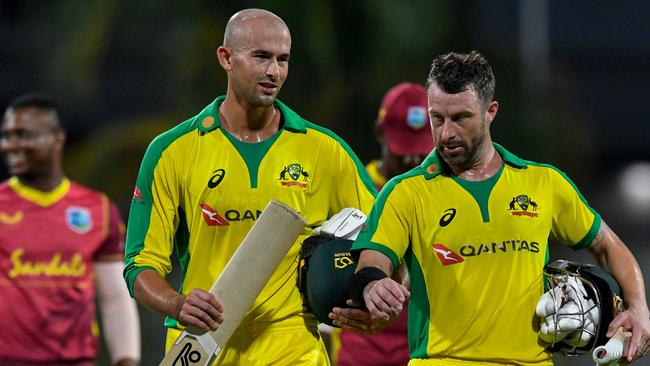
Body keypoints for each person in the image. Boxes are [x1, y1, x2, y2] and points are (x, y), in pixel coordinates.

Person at [344, 51, 650, 365]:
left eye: (460, 118)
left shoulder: (544, 183)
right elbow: (372, 261)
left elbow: (606, 245)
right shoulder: (406, 191)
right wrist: (373, 284)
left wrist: (638, 306)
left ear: (490, 111)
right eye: (437, 118)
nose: (446, 133)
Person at [123, 8, 376, 365]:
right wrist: (177, 304)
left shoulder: (324, 150)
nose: (274, 71)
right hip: (202, 343)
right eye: (261, 57)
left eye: (282, 60)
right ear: (226, 58)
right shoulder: (172, 151)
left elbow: (387, 236)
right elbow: (139, 266)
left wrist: (379, 292)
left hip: (291, 344)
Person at [0, 93, 141, 366]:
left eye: (24, 135)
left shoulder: (97, 210)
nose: (11, 145)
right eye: (6, 136)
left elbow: (114, 296)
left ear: (57, 139)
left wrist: (127, 359)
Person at [330, 82, 434, 366]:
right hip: (360, 355)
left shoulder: (444, 193)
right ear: (380, 132)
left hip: (425, 351)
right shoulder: (352, 189)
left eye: (423, 147)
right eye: (404, 146)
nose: (413, 157)